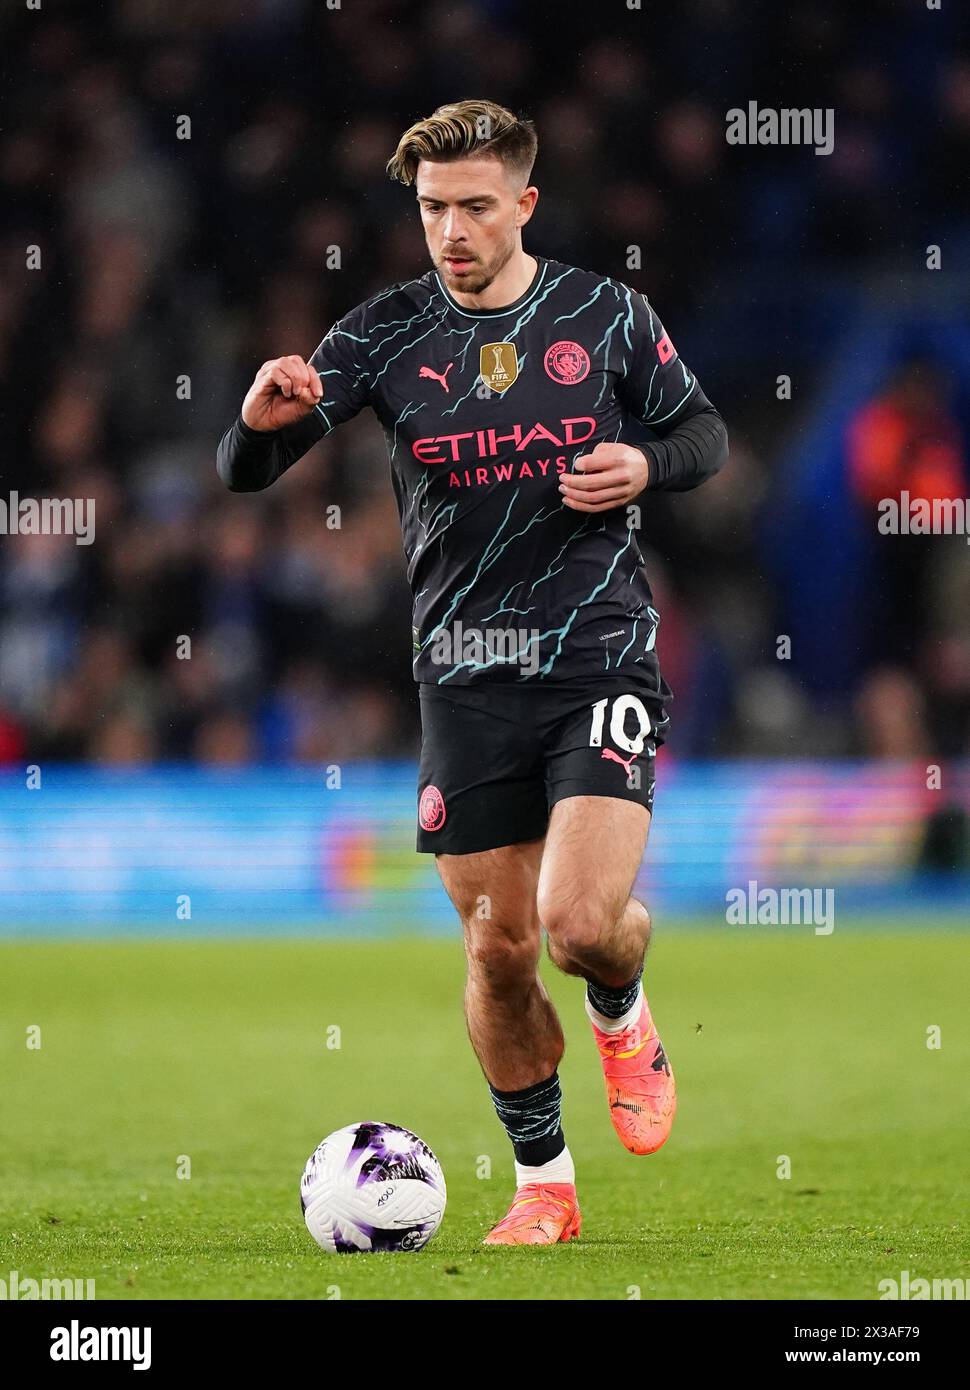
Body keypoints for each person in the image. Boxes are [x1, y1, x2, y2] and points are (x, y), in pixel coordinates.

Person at [217, 99, 728, 1245]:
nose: (452, 229)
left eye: (475, 207)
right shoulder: (385, 333)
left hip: (598, 653)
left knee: (578, 925)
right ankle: (545, 1188)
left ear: (525, 205)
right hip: (461, 676)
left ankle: (620, 1004)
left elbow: (705, 437)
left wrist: (643, 463)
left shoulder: (604, 313)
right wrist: (255, 424)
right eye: (433, 208)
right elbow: (254, 463)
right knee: (497, 950)